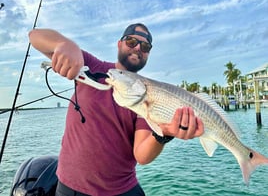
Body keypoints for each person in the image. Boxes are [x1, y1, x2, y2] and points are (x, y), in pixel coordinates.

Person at [28, 23, 204, 196]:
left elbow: (142, 155)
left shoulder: (147, 95)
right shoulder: (93, 67)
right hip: (70, 186)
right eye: (131, 41)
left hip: (121, 190)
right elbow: (34, 37)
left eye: (145, 46)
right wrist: (65, 44)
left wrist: (164, 133)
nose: (137, 48)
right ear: (119, 44)